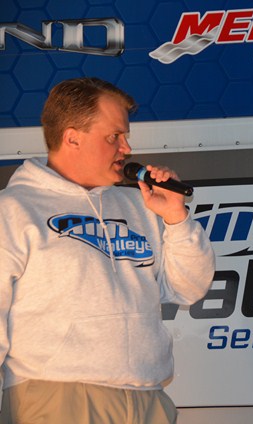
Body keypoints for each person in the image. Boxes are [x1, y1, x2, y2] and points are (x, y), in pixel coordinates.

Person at [0, 77, 215, 423]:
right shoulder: (13, 209)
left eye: (125, 136)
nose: (126, 148)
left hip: (148, 397)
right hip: (56, 398)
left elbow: (189, 288)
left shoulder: (141, 206)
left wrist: (176, 218)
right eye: (114, 136)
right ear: (72, 138)